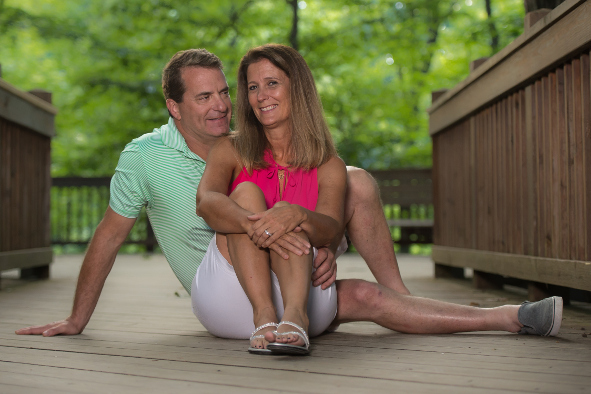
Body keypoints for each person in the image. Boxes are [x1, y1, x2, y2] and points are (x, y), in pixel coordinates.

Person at [15, 47, 562, 347]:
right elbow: (111, 236)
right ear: (173, 106)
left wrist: (326, 239)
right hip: (229, 289)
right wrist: (76, 319)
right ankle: (274, 318)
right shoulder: (148, 156)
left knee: (363, 236)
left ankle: (506, 315)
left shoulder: (253, 142)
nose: (221, 106)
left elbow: (317, 205)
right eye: (203, 97)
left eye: (226, 92)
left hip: (290, 271)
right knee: (249, 197)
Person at [194, 44, 347, 355]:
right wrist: (258, 225)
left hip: (304, 295)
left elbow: (331, 229)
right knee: (249, 194)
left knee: (289, 213)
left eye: (272, 83)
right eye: (253, 87)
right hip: (231, 292)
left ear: (298, 88)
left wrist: (296, 216)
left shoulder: (330, 164)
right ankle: (263, 313)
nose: (261, 96)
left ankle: (295, 315)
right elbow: (206, 202)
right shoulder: (229, 149)